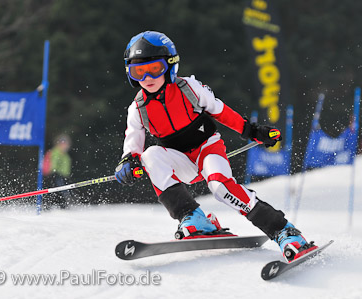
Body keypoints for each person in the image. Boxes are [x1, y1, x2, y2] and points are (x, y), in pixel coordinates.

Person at [114, 31, 318, 262]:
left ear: (170, 66)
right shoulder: (138, 108)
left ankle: (284, 231)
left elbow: (221, 111)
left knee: (220, 188)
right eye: (138, 71)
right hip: (179, 162)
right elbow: (133, 144)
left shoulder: (188, 88)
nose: (147, 77)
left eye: (154, 69)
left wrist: (253, 132)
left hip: (207, 151)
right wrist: (128, 162)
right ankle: (193, 217)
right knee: (150, 155)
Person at [43, 134, 72, 209]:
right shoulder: (55, 152)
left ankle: (63, 205)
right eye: (63, 144)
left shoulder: (65, 155)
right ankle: (50, 206)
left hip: (63, 176)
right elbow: (53, 164)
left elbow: (66, 167)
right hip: (54, 175)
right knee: (56, 191)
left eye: (66, 144)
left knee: (61, 191)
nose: (65, 146)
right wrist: (54, 172)